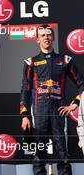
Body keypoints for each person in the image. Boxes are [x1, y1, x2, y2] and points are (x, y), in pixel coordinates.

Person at [20, 24, 84, 175]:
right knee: (39, 156)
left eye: (49, 34)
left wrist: (75, 103)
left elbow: (82, 84)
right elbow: (25, 91)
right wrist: (24, 116)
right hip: (39, 115)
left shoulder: (65, 60)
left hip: (59, 114)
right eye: (42, 35)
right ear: (37, 39)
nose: (46, 37)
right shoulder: (31, 62)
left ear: (53, 37)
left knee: (63, 154)